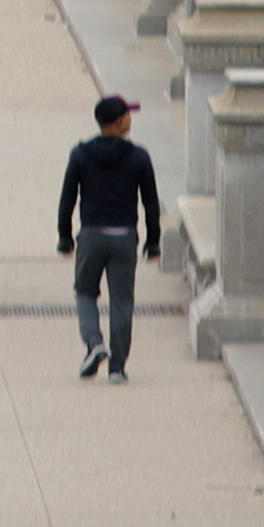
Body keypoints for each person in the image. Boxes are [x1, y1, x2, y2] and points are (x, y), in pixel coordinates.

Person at [58, 94, 157, 378]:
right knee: (122, 301)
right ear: (120, 120)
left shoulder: (80, 154)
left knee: (86, 292)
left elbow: (68, 199)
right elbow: (150, 202)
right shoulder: (138, 156)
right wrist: (153, 243)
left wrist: (65, 237)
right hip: (124, 236)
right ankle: (117, 368)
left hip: (91, 234)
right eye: (128, 115)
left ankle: (94, 343)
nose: (130, 119)